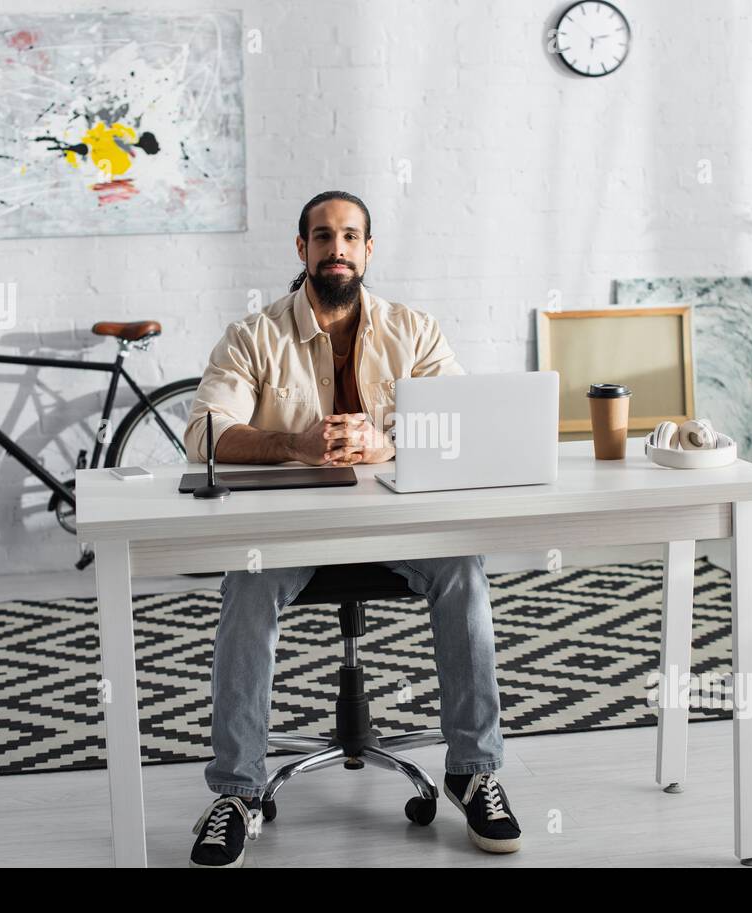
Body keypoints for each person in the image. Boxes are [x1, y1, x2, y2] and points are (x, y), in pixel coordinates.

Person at [182, 190, 520, 867]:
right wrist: (292, 445)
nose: (336, 247)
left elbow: (464, 424)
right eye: (322, 235)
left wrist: (385, 445)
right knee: (245, 588)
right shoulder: (253, 335)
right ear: (301, 248)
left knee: (464, 569)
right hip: (290, 532)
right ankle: (238, 791)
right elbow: (203, 433)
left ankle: (472, 769)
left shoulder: (414, 330)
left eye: (350, 236)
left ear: (367, 250)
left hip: (396, 530)